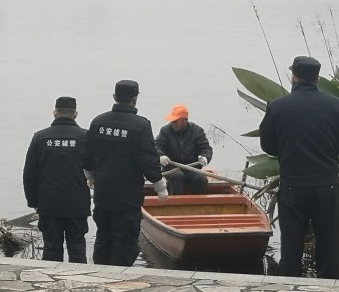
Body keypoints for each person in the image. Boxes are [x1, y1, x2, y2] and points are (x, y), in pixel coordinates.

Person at [259, 55, 339, 279]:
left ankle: (290, 289)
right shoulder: (336, 105)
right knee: (328, 248)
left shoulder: (277, 106)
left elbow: (268, 146)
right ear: (317, 78)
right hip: (326, 186)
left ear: (293, 77)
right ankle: (329, 290)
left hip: (293, 186)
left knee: (291, 248)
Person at [84, 80, 167, 267]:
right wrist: (159, 185)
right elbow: (148, 159)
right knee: (125, 239)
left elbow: (86, 155)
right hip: (128, 196)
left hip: (103, 193)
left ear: (114, 97)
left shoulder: (98, 122)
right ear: (135, 98)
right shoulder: (141, 125)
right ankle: (119, 276)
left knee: (104, 235)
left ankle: (101, 273)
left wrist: (90, 176)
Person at [23, 97, 90, 263]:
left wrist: (33, 201)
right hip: (77, 203)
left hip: (48, 203)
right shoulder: (85, 137)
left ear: (55, 113)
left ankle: (51, 278)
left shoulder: (40, 137)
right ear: (75, 114)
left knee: (51, 248)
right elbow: (94, 169)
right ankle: (79, 277)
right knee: (77, 247)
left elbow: (29, 173)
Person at [156, 104, 213, 194]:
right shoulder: (165, 131)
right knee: (178, 177)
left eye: (175, 121)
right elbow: (157, 146)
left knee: (201, 179)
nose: (172, 123)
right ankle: (175, 201)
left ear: (185, 120)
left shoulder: (197, 131)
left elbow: (206, 148)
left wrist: (205, 157)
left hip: (192, 168)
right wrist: (160, 156)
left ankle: (198, 202)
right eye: (172, 120)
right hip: (171, 168)